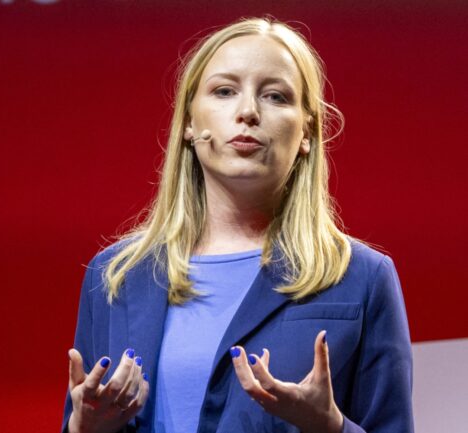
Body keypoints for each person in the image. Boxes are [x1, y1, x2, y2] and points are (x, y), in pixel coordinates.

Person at [60, 16, 414, 433]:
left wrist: (332, 427)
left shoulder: (362, 278)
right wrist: (86, 427)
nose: (247, 112)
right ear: (189, 122)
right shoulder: (116, 275)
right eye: (225, 91)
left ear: (307, 131)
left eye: (276, 96)